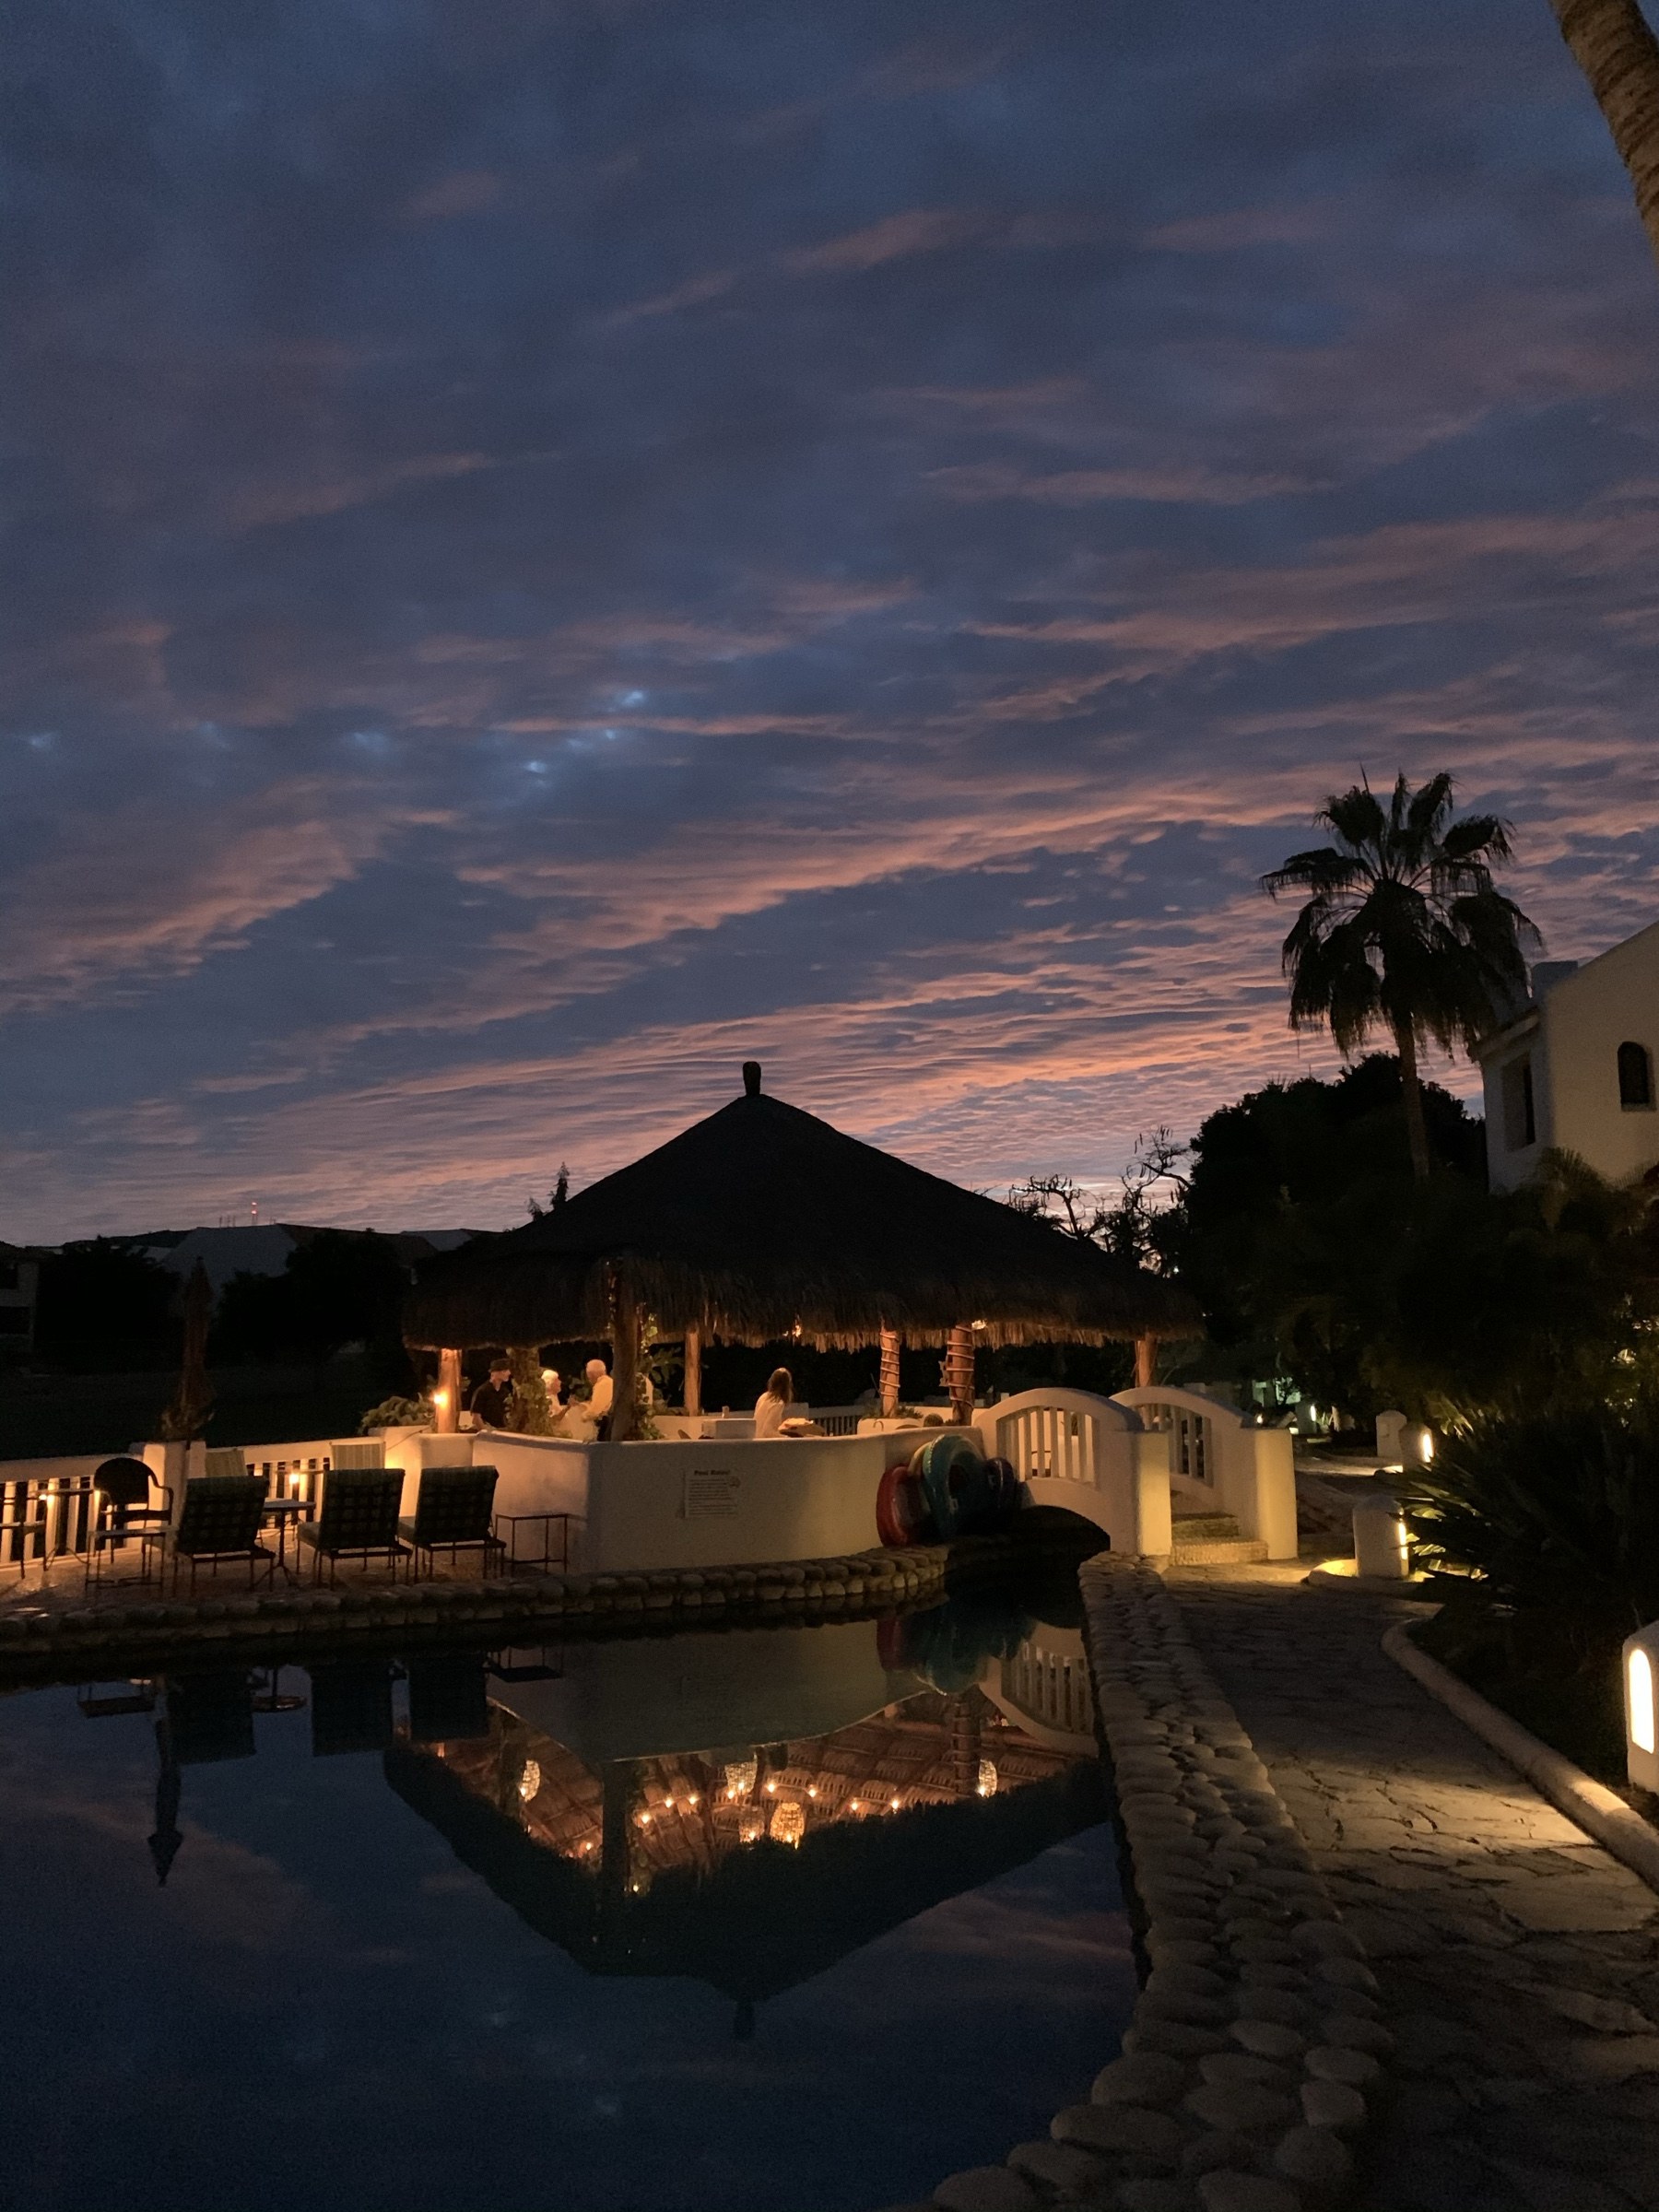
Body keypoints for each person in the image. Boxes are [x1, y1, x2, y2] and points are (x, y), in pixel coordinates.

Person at [469, 1358, 515, 1430]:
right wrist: (485, 1432)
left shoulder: (505, 1392)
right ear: (494, 1373)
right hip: (488, 1431)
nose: (508, 1373)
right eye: (504, 1370)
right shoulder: (482, 1391)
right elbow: (476, 1416)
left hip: (502, 1431)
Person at [753, 1366, 794, 1440]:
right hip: (765, 1445)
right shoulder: (778, 1403)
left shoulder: (763, 1397)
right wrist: (787, 1438)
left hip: (755, 1441)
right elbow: (767, 1431)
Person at [585, 1358, 614, 1422]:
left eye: (589, 1377)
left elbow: (595, 1410)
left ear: (592, 1375)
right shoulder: (609, 1381)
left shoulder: (602, 1385)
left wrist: (583, 1416)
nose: (589, 1380)